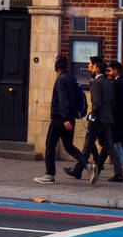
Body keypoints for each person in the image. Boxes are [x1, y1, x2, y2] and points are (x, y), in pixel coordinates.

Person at [67, 55, 123, 184]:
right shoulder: (109, 82)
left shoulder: (96, 83)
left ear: (97, 68)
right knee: (110, 146)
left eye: (91, 65)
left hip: (97, 119)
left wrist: (92, 115)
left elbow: (96, 103)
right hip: (108, 118)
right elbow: (112, 102)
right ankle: (118, 172)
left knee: (88, 145)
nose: (89, 67)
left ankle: (78, 170)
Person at [34, 55, 89, 184]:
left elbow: (63, 100)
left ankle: (49, 174)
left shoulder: (60, 80)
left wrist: (65, 119)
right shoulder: (72, 78)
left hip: (60, 119)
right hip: (70, 118)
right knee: (69, 146)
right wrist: (70, 118)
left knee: (50, 145)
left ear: (56, 66)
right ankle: (87, 165)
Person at [95, 59, 123, 180]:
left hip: (117, 121)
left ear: (116, 70)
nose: (109, 73)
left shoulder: (116, 85)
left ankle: (98, 167)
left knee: (108, 145)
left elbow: (113, 103)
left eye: (111, 70)